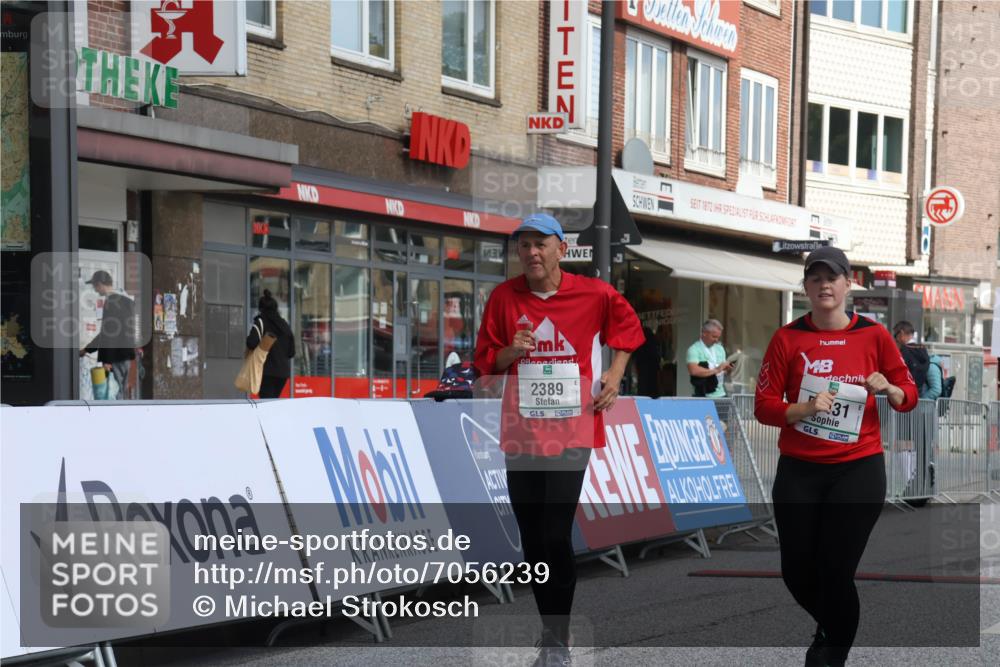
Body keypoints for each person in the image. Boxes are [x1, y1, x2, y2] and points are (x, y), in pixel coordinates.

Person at [473, 213, 644, 666]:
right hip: (521, 432)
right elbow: (485, 363)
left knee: (554, 533)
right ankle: (551, 635)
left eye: (540, 244)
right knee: (532, 540)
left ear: (561, 250)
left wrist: (615, 373)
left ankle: (557, 641)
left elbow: (629, 331)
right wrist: (513, 350)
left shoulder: (594, 293)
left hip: (572, 429)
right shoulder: (503, 297)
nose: (531, 253)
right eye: (523, 245)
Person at [755, 246, 918, 666]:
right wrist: (805, 409)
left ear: (848, 284)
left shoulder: (874, 336)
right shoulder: (787, 338)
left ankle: (830, 652)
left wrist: (890, 388)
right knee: (796, 571)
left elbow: (909, 395)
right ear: (806, 286)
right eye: (816, 278)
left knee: (835, 569)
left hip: (857, 470)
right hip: (800, 470)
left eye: (833, 278)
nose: (824, 285)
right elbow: (764, 406)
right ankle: (832, 628)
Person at [79, 270, 136, 400]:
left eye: (95, 286)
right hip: (126, 356)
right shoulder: (127, 301)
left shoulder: (111, 302)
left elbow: (109, 334)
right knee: (120, 392)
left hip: (115, 357)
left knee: (113, 393)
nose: (95, 290)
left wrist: (108, 360)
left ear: (100, 284)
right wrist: (87, 349)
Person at [246, 289, 295, 398]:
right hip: (282, 373)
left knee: (265, 401)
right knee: (272, 401)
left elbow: (251, 343)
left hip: (266, 371)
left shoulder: (261, 322)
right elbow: (291, 352)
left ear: (260, 309)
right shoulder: (284, 325)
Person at [686, 319, 733, 397]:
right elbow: (693, 370)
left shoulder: (720, 348)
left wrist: (728, 370)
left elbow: (722, 372)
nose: (716, 340)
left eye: (718, 337)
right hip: (702, 396)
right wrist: (717, 370)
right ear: (704, 333)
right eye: (714, 336)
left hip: (721, 394)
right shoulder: (694, 349)